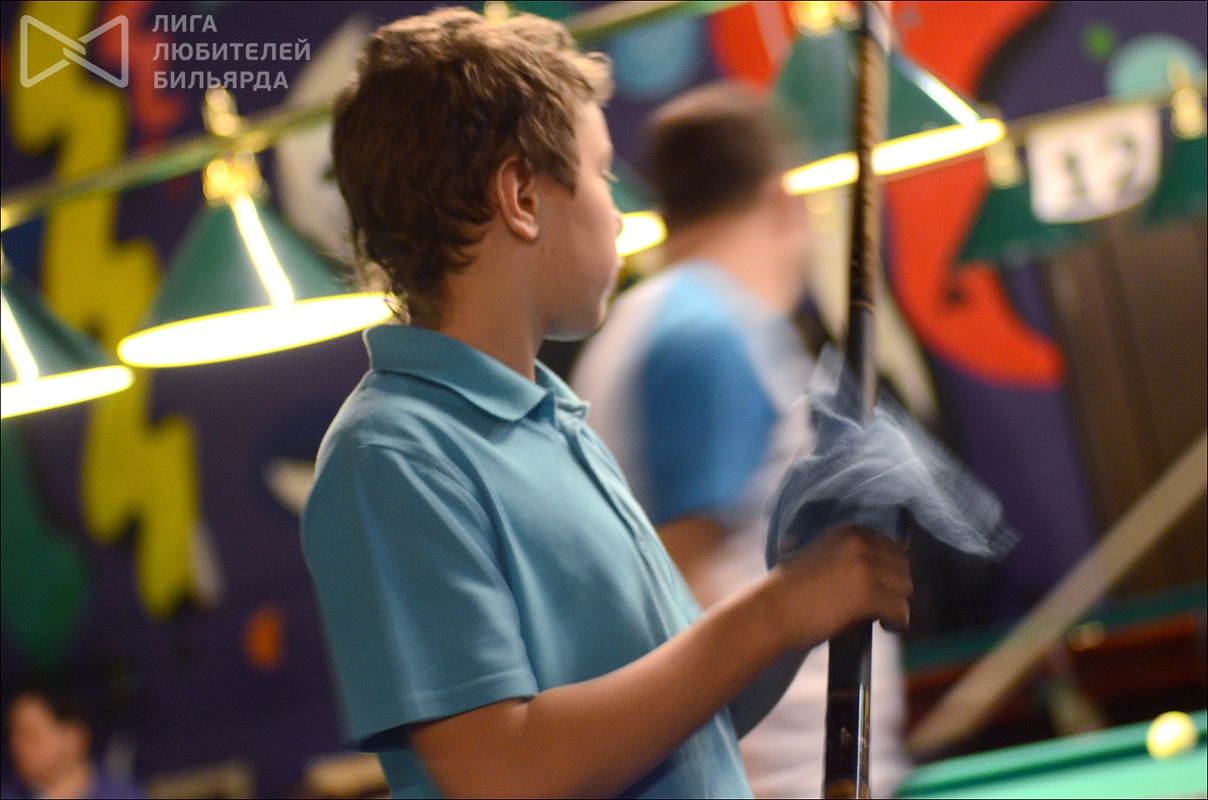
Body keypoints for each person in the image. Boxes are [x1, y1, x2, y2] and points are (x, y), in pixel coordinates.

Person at [301, 8, 911, 798]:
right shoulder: (391, 456)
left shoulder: (553, 419)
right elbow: (501, 770)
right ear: (521, 196)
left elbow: (686, 718)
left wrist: (805, 603)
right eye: (600, 173)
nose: (619, 212)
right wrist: (773, 614)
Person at [573, 84, 911, 798]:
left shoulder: (670, 321)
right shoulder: (706, 333)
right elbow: (678, 580)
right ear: (784, 200)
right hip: (767, 780)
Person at [2, 686, 140, 800]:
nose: (17, 746)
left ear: (74, 737)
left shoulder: (120, 796)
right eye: (13, 735)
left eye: (31, 735)